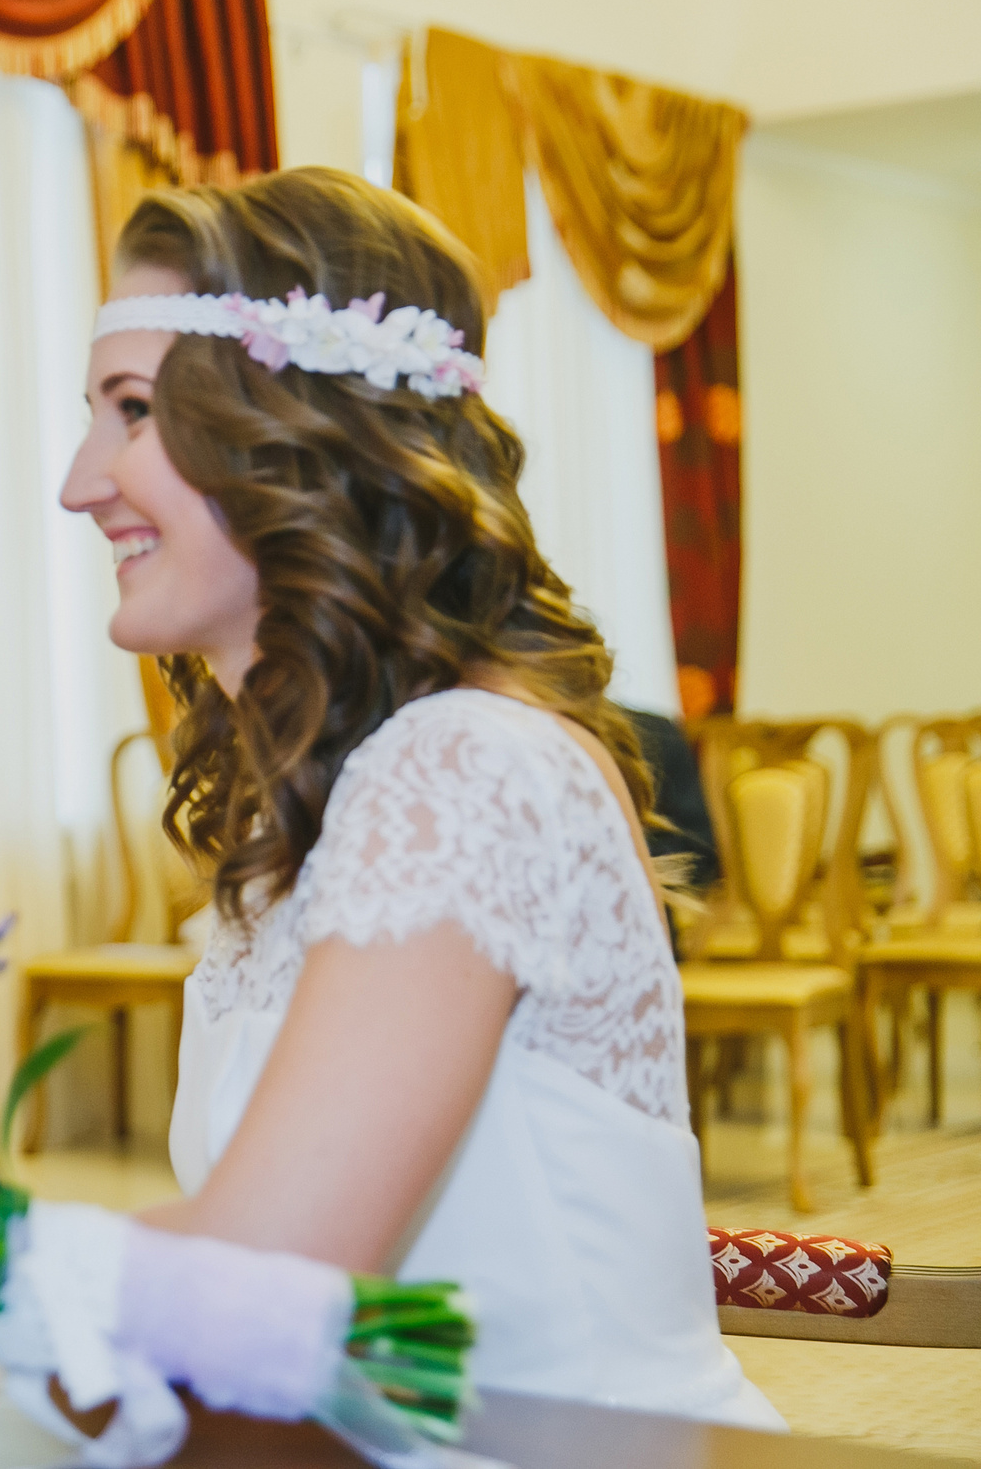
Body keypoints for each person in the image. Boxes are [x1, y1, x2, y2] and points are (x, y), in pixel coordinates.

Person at [59, 167, 777, 1426]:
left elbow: (257, 1279)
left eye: (130, 413)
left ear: (296, 429)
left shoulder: (467, 769)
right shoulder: (307, 799)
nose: (81, 482)